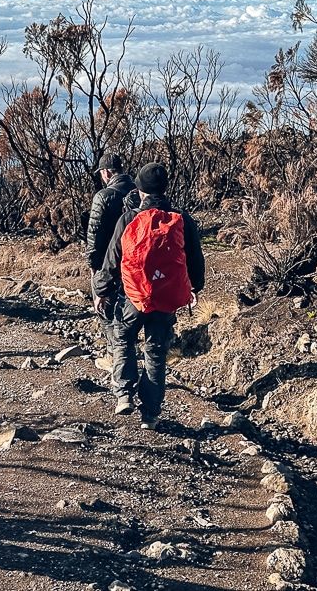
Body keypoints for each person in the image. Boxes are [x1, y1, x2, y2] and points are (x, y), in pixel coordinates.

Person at [92, 162, 205, 430]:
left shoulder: (129, 218)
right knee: (156, 352)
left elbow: (112, 260)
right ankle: (150, 415)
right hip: (166, 298)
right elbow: (195, 260)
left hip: (134, 296)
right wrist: (193, 288)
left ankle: (124, 395)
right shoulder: (182, 219)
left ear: (140, 190)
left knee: (122, 337)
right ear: (165, 189)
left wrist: (101, 291)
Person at [85, 153, 136, 346]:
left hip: (109, 260)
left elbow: (94, 234)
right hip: (135, 260)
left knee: (104, 308)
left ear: (106, 173)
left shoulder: (103, 196)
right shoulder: (139, 193)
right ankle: (127, 347)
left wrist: (93, 265)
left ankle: (114, 353)